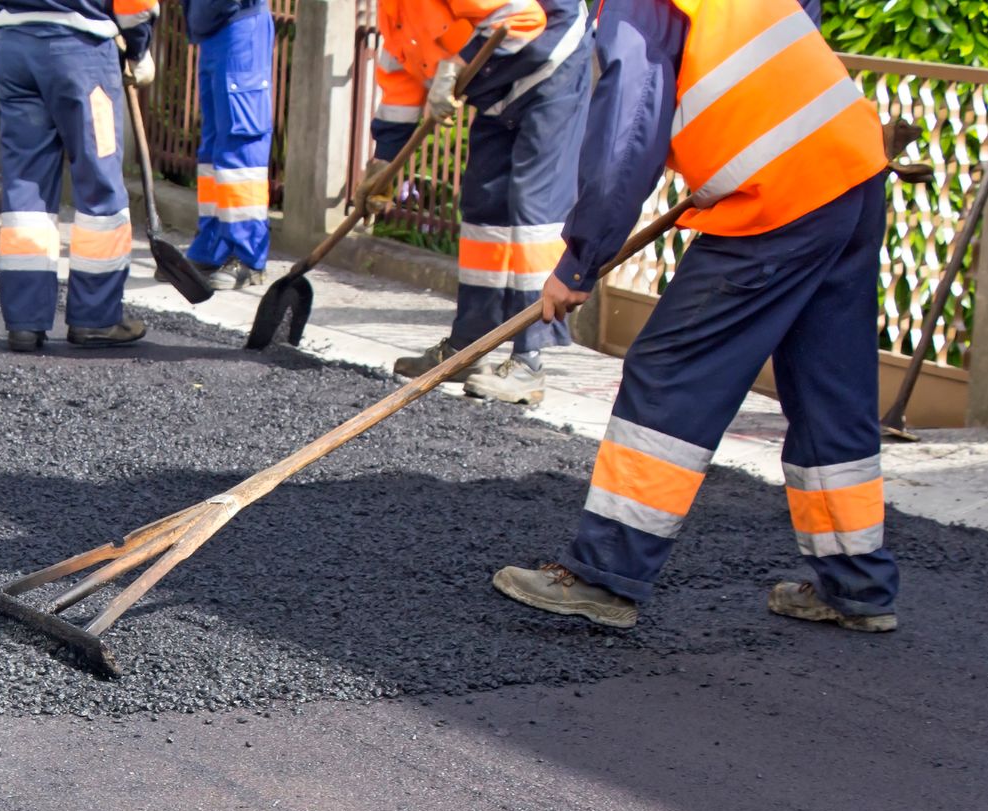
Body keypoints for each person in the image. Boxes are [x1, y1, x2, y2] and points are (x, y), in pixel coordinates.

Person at [493, 0, 898, 634]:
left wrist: (580, 259)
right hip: (850, 168)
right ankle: (860, 584)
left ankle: (605, 575)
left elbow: (632, 121)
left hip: (779, 194)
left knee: (671, 370)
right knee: (829, 386)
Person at [371, 0, 593, 405]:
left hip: (550, 66)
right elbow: (402, 75)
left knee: (533, 213)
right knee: (483, 205)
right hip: (494, 81)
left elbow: (525, 17)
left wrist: (454, 66)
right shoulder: (392, 9)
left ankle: (529, 362)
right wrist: (383, 162)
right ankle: (470, 347)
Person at [0, 0, 161, 352]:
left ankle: (24, 321)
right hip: (80, 51)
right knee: (99, 183)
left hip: (14, 47)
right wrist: (139, 50)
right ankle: (95, 319)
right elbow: (136, 5)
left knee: (25, 186)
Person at [183, 0, 276, 291]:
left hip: (239, 26)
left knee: (240, 144)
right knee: (213, 149)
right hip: (214, 27)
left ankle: (248, 258)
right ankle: (213, 246)